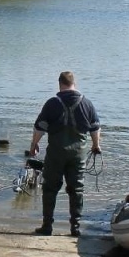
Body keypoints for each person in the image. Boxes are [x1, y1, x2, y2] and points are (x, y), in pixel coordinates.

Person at [26, 71, 102, 237]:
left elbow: (40, 127)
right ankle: (75, 227)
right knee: (77, 188)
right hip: (78, 155)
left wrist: (34, 145)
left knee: (50, 187)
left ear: (60, 84)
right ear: (74, 83)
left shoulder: (52, 103)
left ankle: (47, 226)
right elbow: (95, 127)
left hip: (56, 154)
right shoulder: (87, 103)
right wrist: (96, 146)